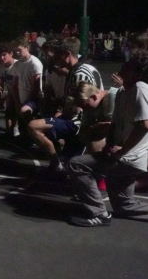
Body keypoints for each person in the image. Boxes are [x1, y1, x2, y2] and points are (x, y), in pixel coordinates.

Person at [67, 55, 148, 227]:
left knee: (77, 164)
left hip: (128, 158)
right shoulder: (121, 92)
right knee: (124, 206)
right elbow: (114, 125)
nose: (123, 67)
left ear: (136, 72)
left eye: (128, 66)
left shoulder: (140, 88)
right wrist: (110, 145)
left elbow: (144, 125)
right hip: (122, 154)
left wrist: (121, 151)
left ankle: (99, 214)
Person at [28, 37, 103, 172]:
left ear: (67, 54)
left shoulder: (79, 74)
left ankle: (57, 163)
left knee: (34, 126)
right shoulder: (78, 70)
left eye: (58, 56)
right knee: (72, 168)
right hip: (78, 119)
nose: (55, 59)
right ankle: (64, 159)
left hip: (79, 123)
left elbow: (80, 106)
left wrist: (60, 116)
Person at [11, 36, 44, 137]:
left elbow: (36, 86)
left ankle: (37, 134)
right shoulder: (17, 64)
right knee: (22, 128)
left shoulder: (34, 63)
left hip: (34, 98)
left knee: (25, 112)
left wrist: (27, 102)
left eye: (19, 50)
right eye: (16, 50)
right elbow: (14, 84)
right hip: (22, 98)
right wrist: (17, 101)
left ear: (27, 48)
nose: (17, 52)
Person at [0, 44, 18, 137]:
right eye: (0, 55)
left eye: (4, 55)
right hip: (11, 93)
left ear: (11, 53)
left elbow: (18, 87)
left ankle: (16, 127)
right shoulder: (1, 67)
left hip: (19, 92)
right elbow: (0, 84)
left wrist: (6, 97)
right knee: (8, 110)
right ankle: (10, 129)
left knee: (12, 105)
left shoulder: (17, 65)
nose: (1, 57)